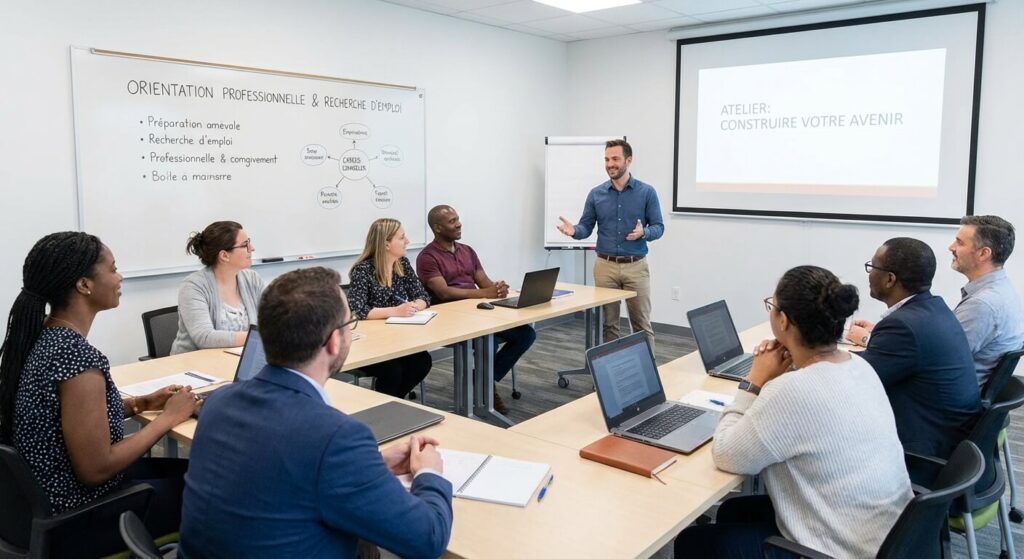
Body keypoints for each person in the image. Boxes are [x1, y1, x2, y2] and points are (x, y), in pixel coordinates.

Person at [179, 267, 452, 558]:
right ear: (334, 341)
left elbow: (280, 473)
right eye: (351, 323)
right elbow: (428, 538)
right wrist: (428, 473)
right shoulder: (336, 436)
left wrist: (374, 465)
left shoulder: (219, 403)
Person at [676, 266, 912, 559]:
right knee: (733, 509)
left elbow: (725, 454)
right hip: (890, 536)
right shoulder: (858, 366)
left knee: (693, 542)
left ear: (784, 321)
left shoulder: (792, 391)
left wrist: (754, 382)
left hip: (840, 550)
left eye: (772, 306)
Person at [0, 232, 200, 557]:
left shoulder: (46, 338)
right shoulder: (76, 359)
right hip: (79, 519)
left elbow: (73, 415)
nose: (119, 277)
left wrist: (141, 403)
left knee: (194, 472)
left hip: (44, 505)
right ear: (84, 285)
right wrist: (168, 418)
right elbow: (95, 469)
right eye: (113, 268)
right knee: (206, 491)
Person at [847, 237, 980, 459]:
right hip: (948, 440)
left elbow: (853, 383)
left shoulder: (903, 326)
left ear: (890, 279)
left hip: (921, 453)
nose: (869, 274)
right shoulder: (934, 309)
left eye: (872, 267)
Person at [416, 205, 536, 413]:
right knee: (487, 341)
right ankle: (486, 389)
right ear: (437, 227)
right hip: (450, 319)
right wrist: (485, 294)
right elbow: (444, 293)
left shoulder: (467, 251)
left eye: (458, 219)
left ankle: (482, 379)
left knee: (526, 334)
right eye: (452, 221)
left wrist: (497, 289)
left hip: (477, 314)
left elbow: (485, 283)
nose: (459, 224)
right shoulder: (427, 257)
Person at [555, 139, 664, 351]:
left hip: (636, 266)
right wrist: (574, 231)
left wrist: (645, 232)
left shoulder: (646, 192)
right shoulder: (596, 194)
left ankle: (647, 375)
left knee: (641, 324)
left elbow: (659, 227)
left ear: (628, 160)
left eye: (615, 158)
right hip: (605, 266)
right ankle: (612, 377)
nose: (610, 164)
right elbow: (586, 227)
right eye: (606, 159)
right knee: (609, 325)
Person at [348, 218, 433, 398]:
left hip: (398, 338)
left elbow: (423, 296)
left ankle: (395, 402)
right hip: (371, 343)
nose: (407, 241)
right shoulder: (363, 270)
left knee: (422, 362)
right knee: (392, 370)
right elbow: (358, 310)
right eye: (402, 238)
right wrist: (395, 311)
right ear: (386, 244)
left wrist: (415, 306)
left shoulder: (402, 264)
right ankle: (385, 411)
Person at [948, 215, 1024, 386]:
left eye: (959, 243)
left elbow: (939, 359)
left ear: (983, 253)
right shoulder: (1003, 289)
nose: (951, 247)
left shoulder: (982, 305)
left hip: (949, 402)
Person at [171, 221, 264, 354]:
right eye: (245, 245)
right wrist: (260, 337)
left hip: (236, 359)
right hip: (193, 364)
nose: (252, 248)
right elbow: (205, 337)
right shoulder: (193, 286)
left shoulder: (252, 279)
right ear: (224, 255)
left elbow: (272, 318)